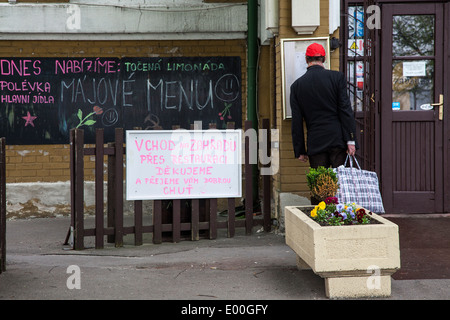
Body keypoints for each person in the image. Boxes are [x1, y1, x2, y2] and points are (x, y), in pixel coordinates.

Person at [290, 42, 358, 169]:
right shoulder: (337, 78)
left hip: (316, 142)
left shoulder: (297, 86)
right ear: (324, 58)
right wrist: (351, 139)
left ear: (306, 59)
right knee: (340, 183)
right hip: (338, 139)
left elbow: (297, 121)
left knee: (321, 185)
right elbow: (345, 109)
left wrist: (300, 150)